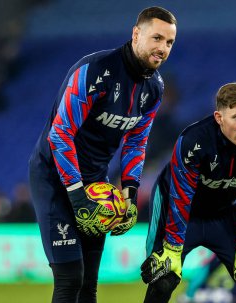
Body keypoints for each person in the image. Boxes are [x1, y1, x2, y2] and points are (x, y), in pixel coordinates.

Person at [28, 6, 177, 303]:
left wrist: (130, 192)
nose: (162, 48)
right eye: (156, 38)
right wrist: (75, 193)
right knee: (70, 279)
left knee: (89, 285)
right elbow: (60, 134)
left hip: (96, 185)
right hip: (56, 179)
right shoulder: (95, 71)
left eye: (170, 42)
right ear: (136, 34)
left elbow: (136, 141)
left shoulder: (155, 88)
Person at [141, 81, 236, 303]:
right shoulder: (193, 140)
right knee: (163, 279)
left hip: (227, 213)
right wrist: (173, 247)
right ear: (219, 118)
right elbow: (181, 196)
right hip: (179, 211)